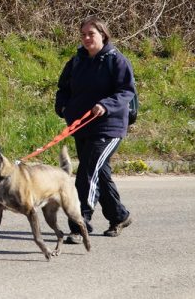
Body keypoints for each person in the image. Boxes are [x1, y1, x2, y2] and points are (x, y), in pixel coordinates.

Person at [55, 16, 135, 244]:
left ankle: (80, 225)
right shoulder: (77, 61)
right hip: (82, 126)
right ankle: (120, 216)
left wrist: (105, 105)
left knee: (87, 173)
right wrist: (62, 106)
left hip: (109, 127)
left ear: (103, 35)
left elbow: (126, 91)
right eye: (83, 34)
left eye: (92, 34)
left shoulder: (116, 60)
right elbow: (63, 88)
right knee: (100, 172)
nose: (87, 38)